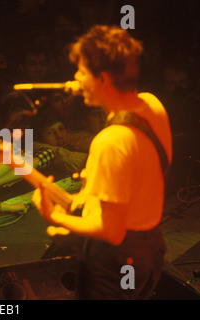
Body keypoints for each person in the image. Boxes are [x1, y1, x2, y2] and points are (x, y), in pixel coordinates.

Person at [32, 25, 172, 300]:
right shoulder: (152, 105)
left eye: (82, 71)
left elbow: (111, 231)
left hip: (116, 265)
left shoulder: (111, 141)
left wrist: (54, 216)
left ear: (103, 79)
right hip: (151, 251)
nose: (75, 77)